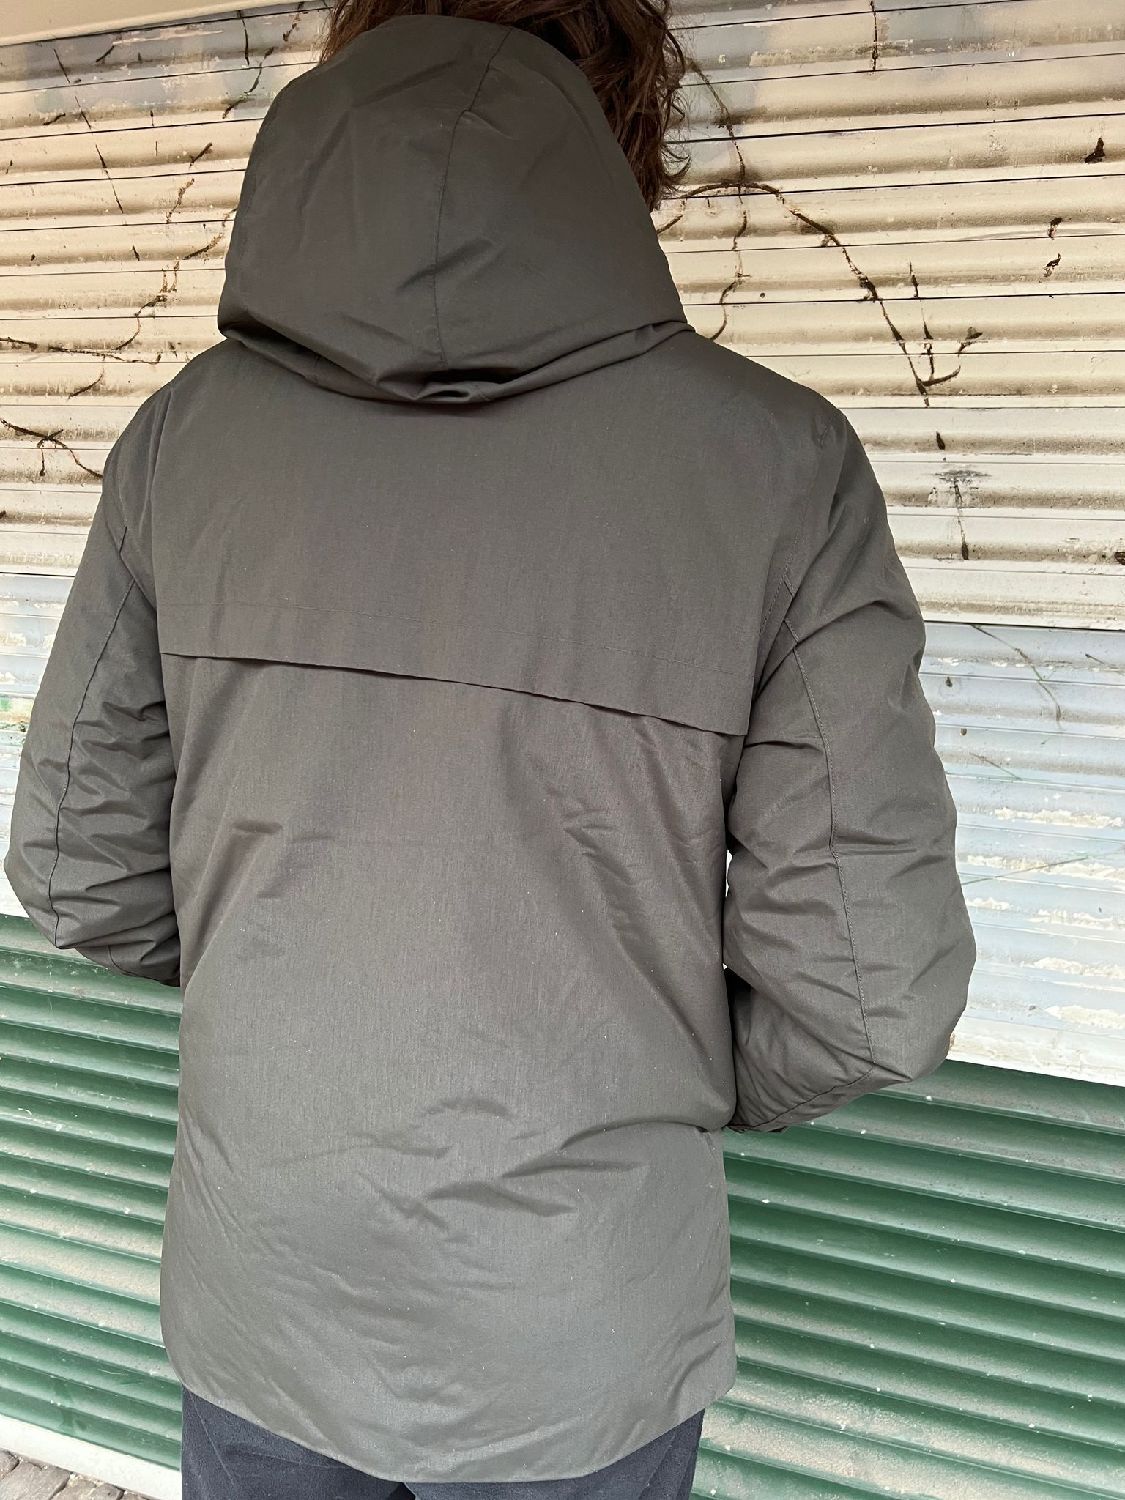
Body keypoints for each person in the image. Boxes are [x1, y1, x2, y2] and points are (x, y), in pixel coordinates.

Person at [4, 0, 977, 1496]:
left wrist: (307, 1008)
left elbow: (79, 868)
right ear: (619, 145)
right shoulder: (779, 468)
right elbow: (870, 994)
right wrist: (632, 1064)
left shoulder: (181, 444)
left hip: (269, 1295)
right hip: (578, 1331)